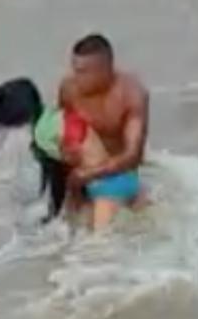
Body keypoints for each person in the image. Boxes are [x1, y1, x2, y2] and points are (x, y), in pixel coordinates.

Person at [58, 34, 149, 230]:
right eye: (75, 70)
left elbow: (134, 155)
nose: (76, 78)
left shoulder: (131, 94)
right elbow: (63, 130)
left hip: (117, 177)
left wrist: (90, 174)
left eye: (83, 72)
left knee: (98, 249)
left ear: (105, 70)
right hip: (80, 179)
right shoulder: (68, 89)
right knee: (65, 235)